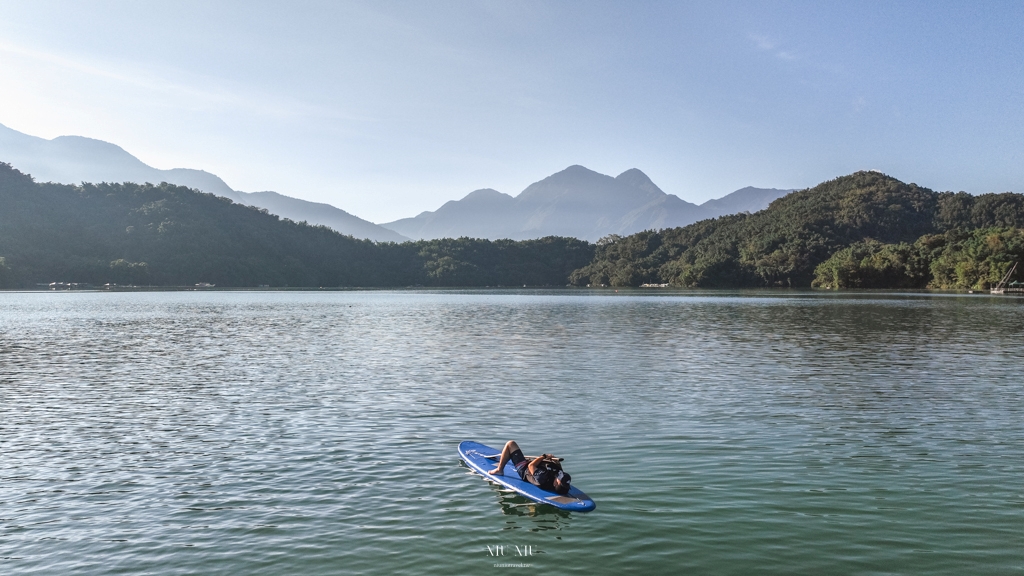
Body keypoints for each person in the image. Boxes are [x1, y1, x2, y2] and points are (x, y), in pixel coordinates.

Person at [488, 440, 572, 495]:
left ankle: (499, 470)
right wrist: (555, 463)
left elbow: (530, 466)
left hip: (525, 469)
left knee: (510, 444)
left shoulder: (542, 478)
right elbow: (559, 471)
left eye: (560, 477)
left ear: (555, 483)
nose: (560, 474)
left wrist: (543, 456)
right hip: (538, 467)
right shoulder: (560, 482)